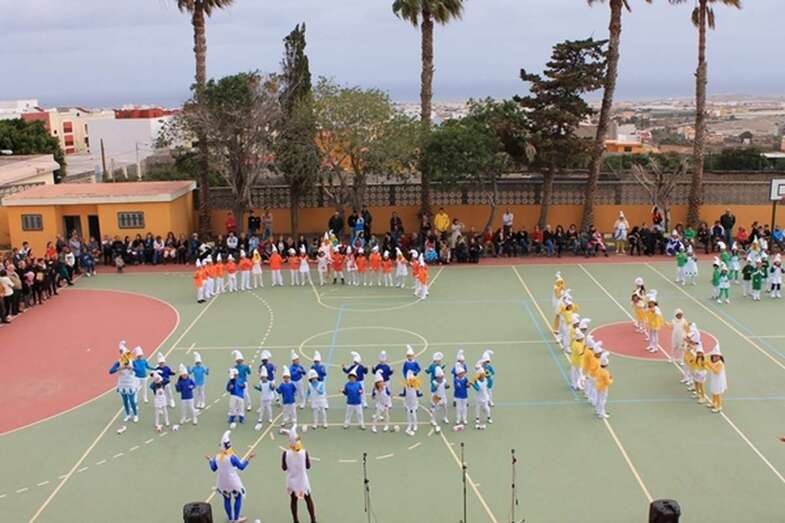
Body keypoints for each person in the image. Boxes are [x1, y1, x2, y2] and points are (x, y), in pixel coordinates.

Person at [207, 430, 255, 523]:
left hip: (222, 482)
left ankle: (230, 518)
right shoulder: (232, 457)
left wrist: (210, 460)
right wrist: (249, 458)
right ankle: (236, 518)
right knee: (238, 497)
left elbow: (213, 468)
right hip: (233, 482)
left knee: (226, 499)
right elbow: (241, 467)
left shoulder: (217, 457)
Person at [281, 426, 317, 523]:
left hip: (292, 481)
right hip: (302, 481)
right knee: (308, 499)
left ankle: (295, 520)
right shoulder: (304, 452)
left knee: (293, 500)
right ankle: (313, 520)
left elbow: (284, 468)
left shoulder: (285, 453)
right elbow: (308, 466)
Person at [109, 342, 139, 424]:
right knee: (124, 400)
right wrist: (119, 368)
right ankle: (128, 414)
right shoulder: (119, 362)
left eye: (125, 354)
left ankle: (135, 415)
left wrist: (132, 368)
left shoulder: (132, 361)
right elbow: (110, 371)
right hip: (122, 383)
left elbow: (138, 370)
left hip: (130, 382)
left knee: (132, 400)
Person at [704, 346, 727, 413]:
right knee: (714, 392)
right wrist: (706, 364)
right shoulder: (714, 362)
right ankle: (713, 403)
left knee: (717, 393)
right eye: (714, 356)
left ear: (719, 357)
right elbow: (711, 369)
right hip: (715, 379)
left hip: (718, 381)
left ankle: (719, 406)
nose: (715, 357)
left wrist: (709, 364)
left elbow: (716, 371)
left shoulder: (720, 363)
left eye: (717, 356)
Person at [594, 352, 612, 419]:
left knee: (598, 398)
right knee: (603, 400)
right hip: (603, 387)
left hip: (598, 385)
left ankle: (598, 410)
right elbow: (607, 382)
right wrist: (611, 379)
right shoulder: (605, 372)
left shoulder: (599, 369)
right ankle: (601, 413)